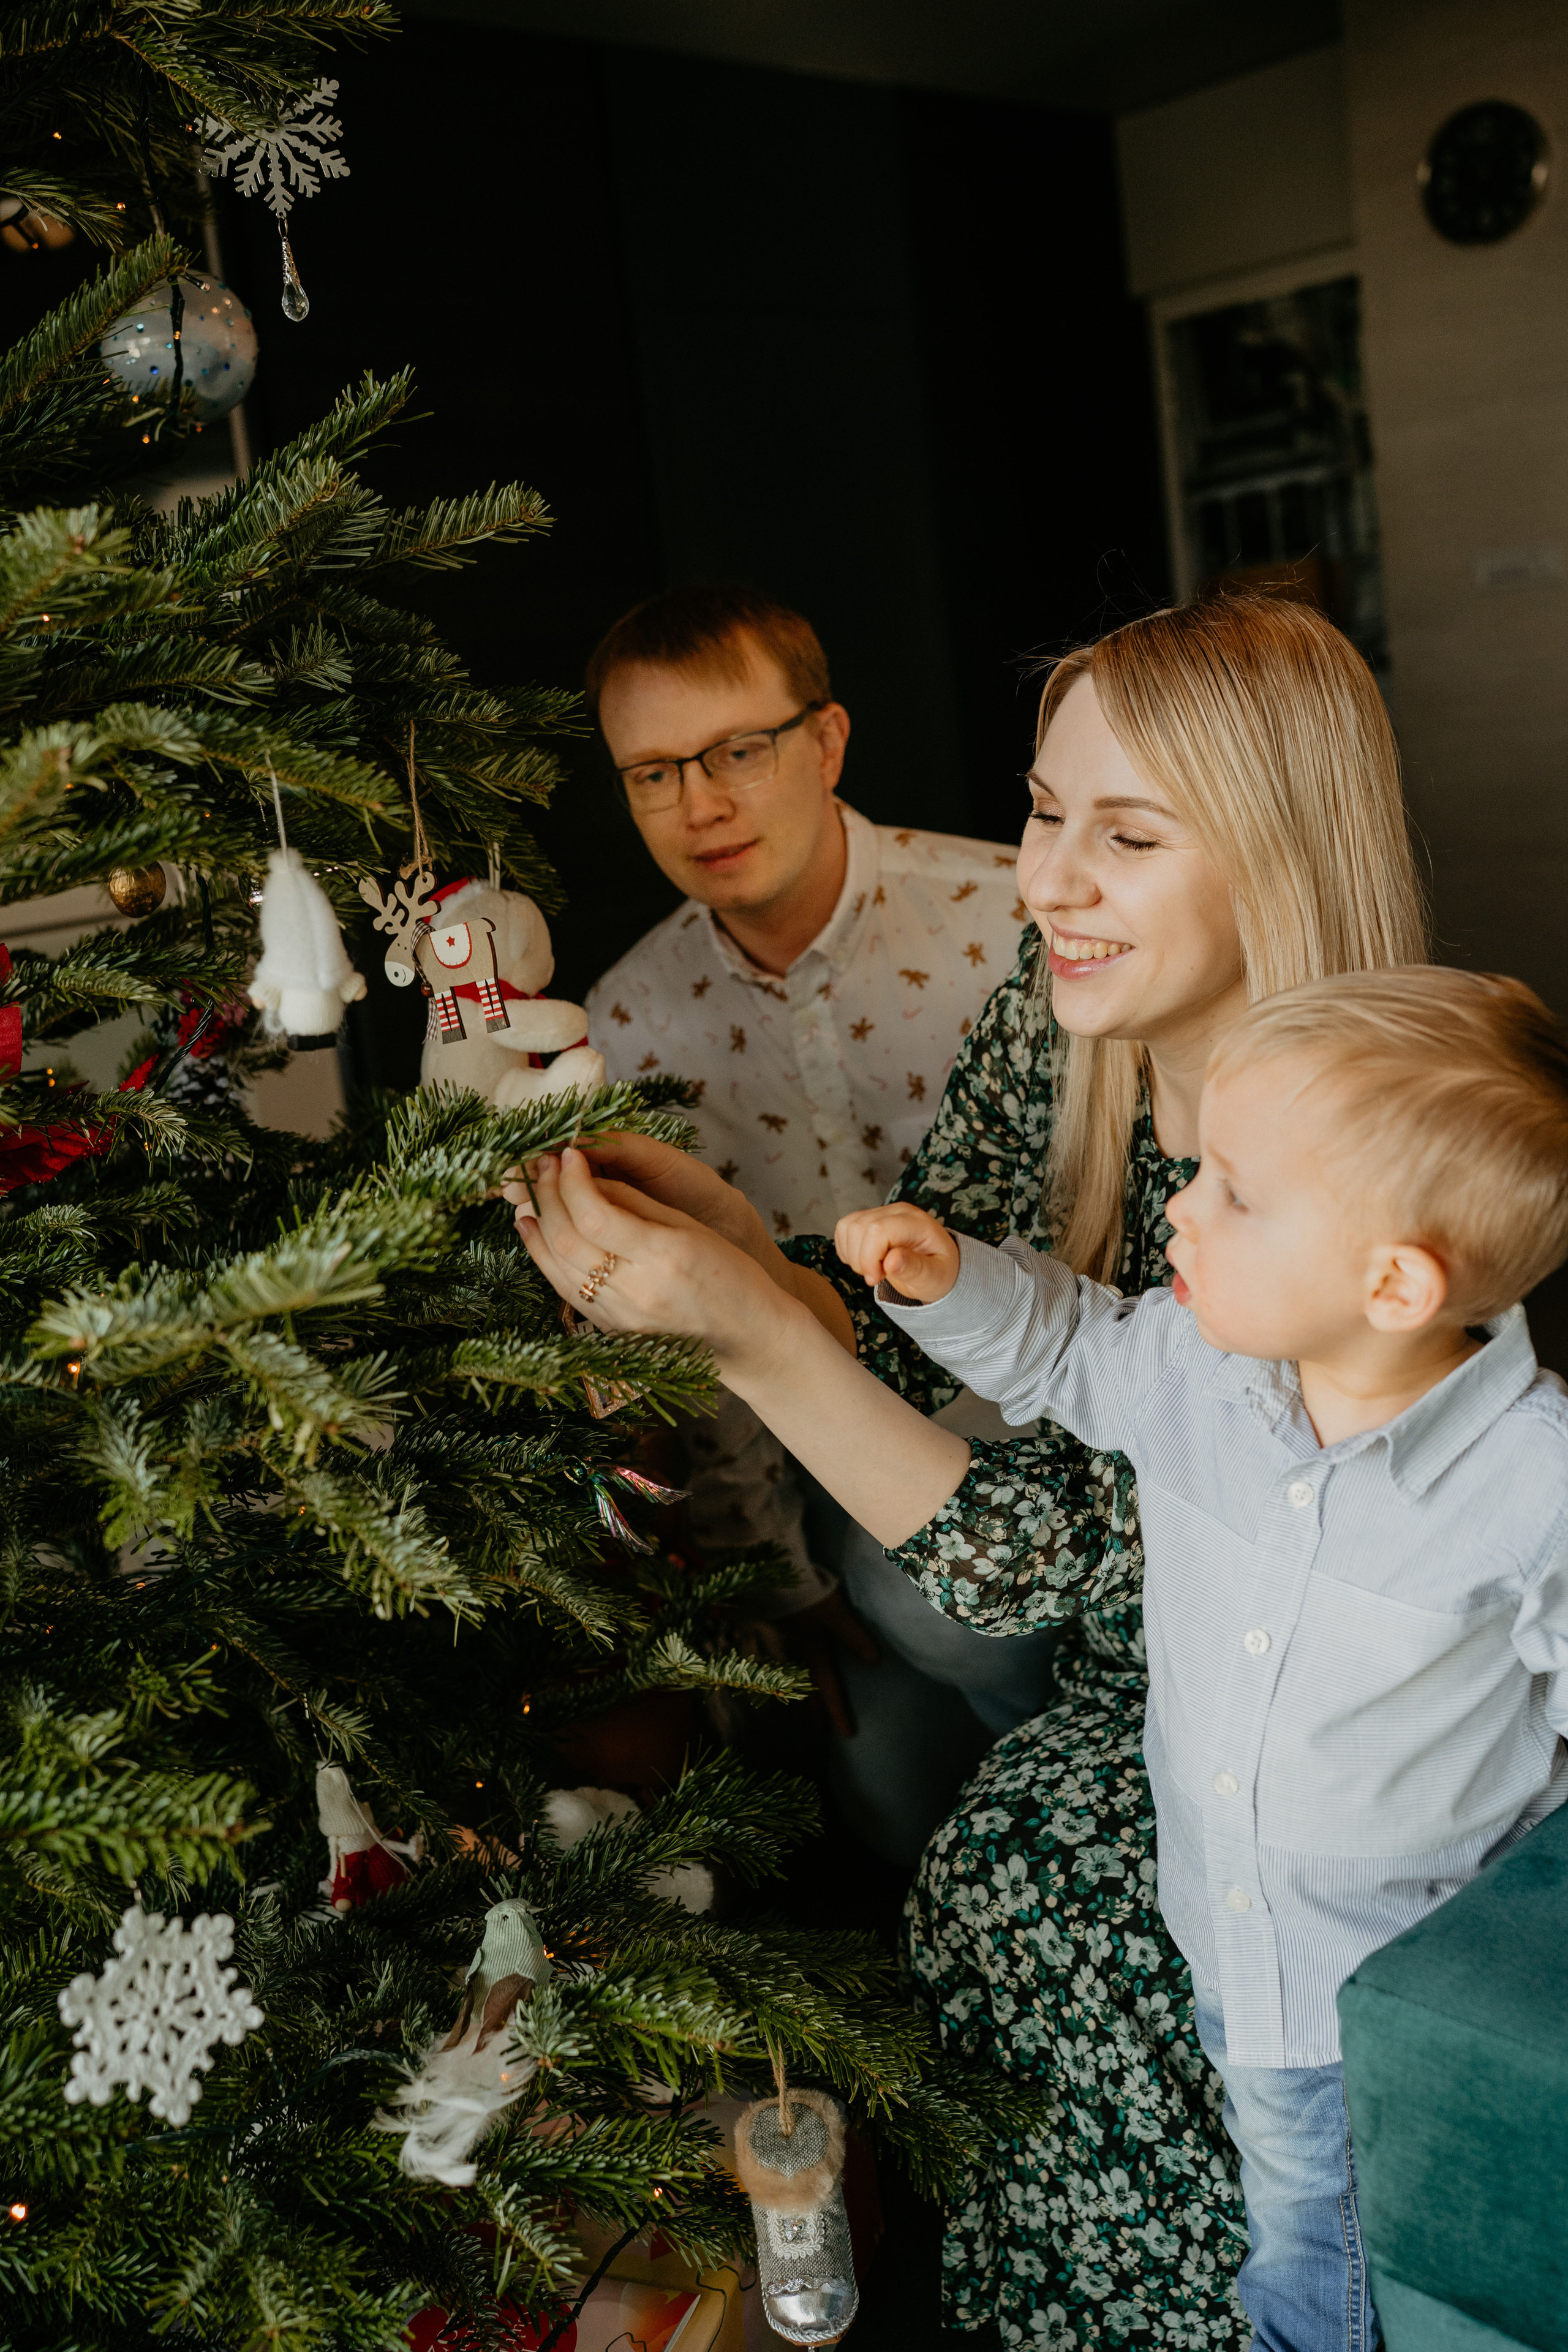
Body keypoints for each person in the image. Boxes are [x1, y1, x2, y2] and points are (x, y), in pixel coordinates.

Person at [507, 593, 1430, 2348]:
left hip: (1277, 1722)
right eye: (1043, 809)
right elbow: (941, 1293)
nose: (1048, 878)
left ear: (1282, 854)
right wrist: (752, 1254)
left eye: (1127, 834)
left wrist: (745, 1332)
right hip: (1112, 1676)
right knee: (975, 1833)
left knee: (1027, 1852)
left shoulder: (1340, 1158)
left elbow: (1053, 1557)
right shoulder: (1063, 1013)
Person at [831, 965, 1568, 2352]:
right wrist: (951, 1284)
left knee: (1330, 2275)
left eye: (1232, 1189)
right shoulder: (1202, 1373)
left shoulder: (1530, 1488)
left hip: (1395, 1994)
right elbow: (1063, 1343)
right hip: (1234, 1946)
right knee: (1304, 2233)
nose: (1178, 1202)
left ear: (1392, 1282)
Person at [581, 582, 1054, 1863]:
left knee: (944, 1613)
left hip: (1069, 1443)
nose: (701, 806)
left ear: (827, 741)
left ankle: (1095, 1784)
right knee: (885, 1791)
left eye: (738, 750)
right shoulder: (624, 1024)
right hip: (831, 1501)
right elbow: (680, 1347)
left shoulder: (1019, 921)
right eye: (653, 774)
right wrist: (769, 1582)